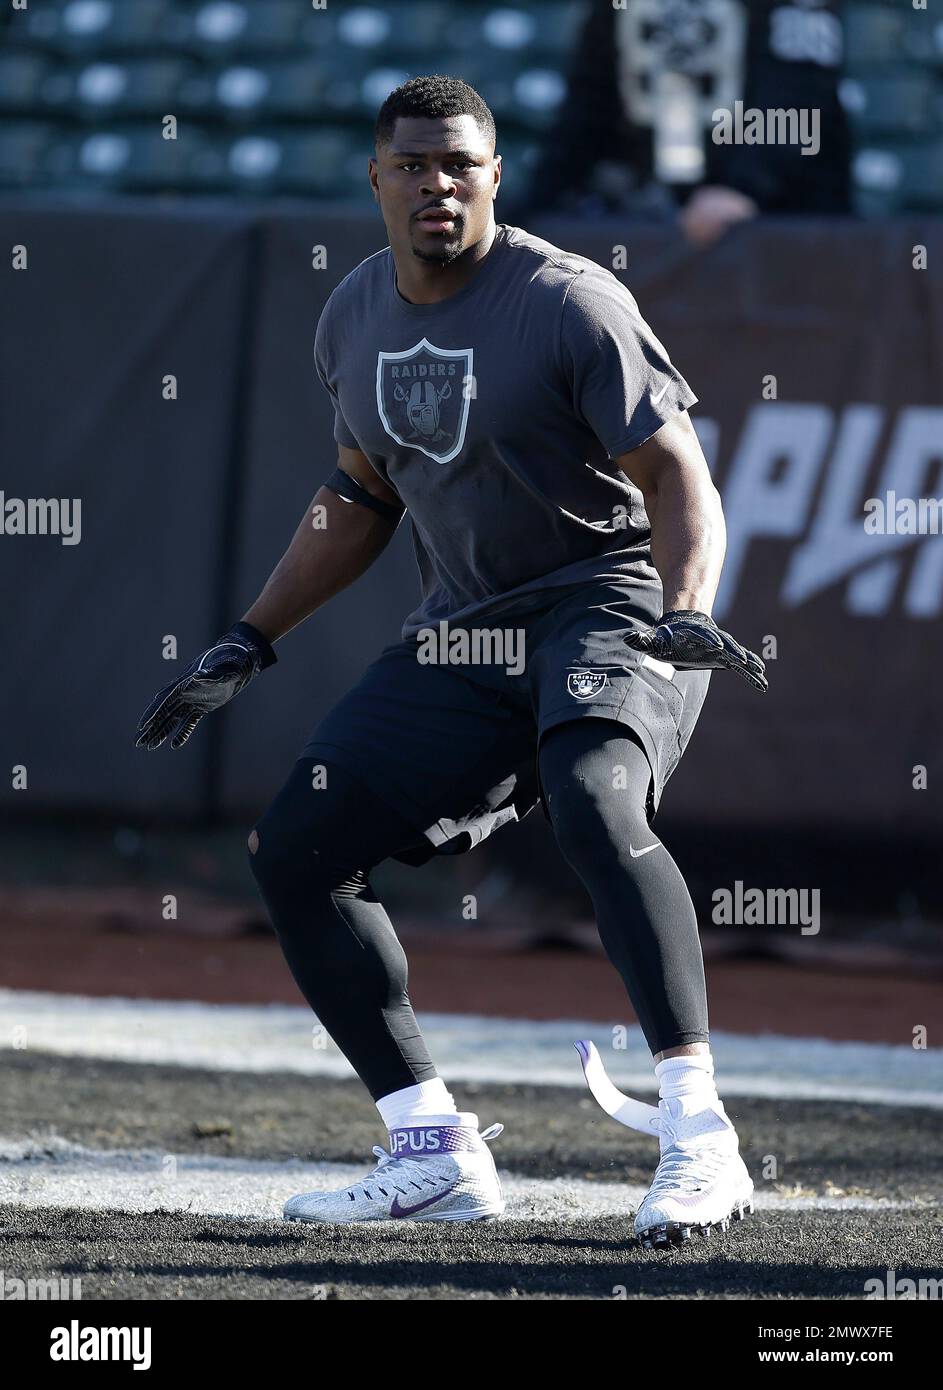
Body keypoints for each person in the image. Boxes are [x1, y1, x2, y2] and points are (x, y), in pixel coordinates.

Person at [135, 76, 766, 1249]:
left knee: (590, 799)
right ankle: (430, 1149)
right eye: (414, 165)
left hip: (606, 599)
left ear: (493, 176)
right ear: (376, 178)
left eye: (460, 164)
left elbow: (678, 476)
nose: (438, 184)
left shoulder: (568, 301)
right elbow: (359, 495)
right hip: (471, 621)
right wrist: (250, 634)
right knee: (298, 846)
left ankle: (701, 1134)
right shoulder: (352, 313)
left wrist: (683, 608)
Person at [524, 0, 850, 244]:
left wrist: (743, 188)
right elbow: (586, 107)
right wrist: (529, 210)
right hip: (659, 221)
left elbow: (802, 95)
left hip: (784, 224)